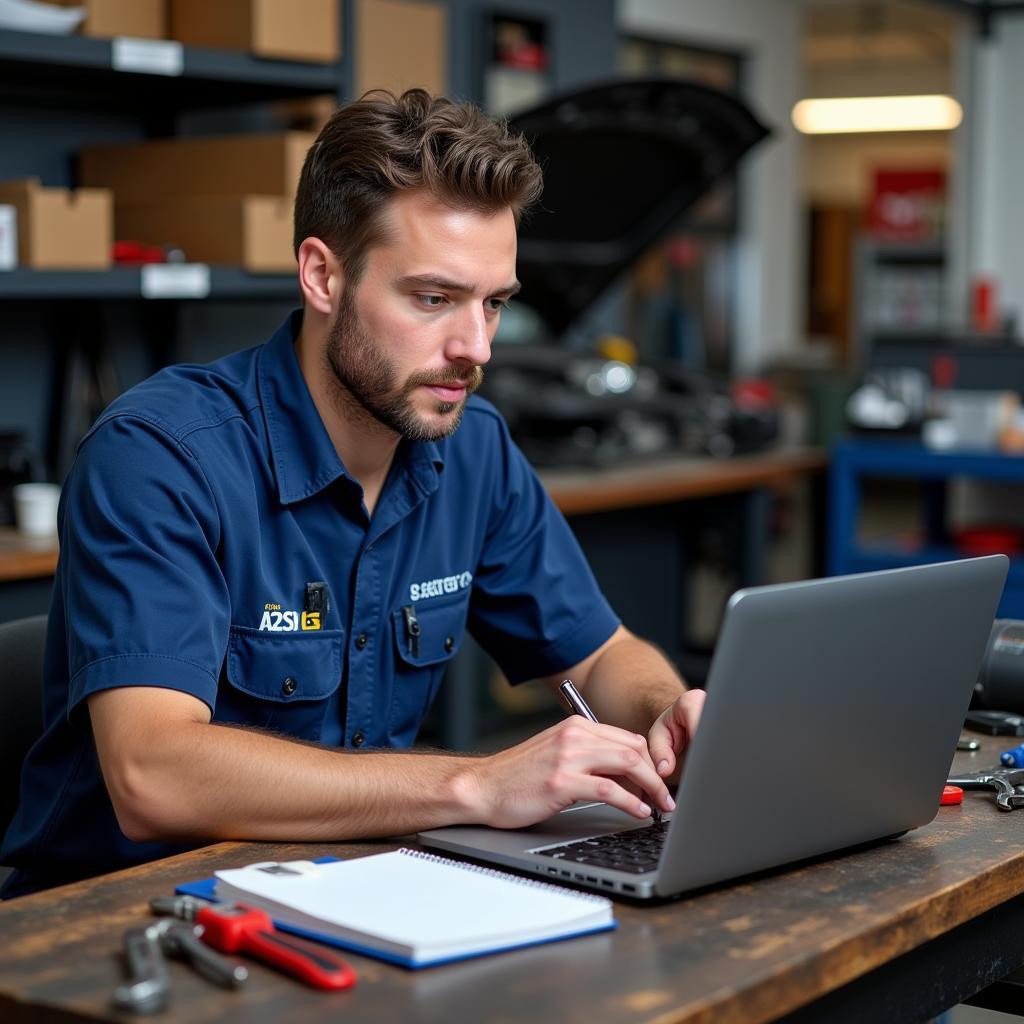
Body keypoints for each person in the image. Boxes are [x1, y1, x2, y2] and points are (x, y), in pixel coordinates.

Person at [0, 89, 704, 898]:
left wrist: (661, 711)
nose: (474, 348)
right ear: (321, 275)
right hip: (122, 917)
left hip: (353, 894)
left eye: (495, 304)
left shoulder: (474, 449)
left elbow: (603, 654)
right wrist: (474, 785)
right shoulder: (159, 456)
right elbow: (152, 773)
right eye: (433, 298)